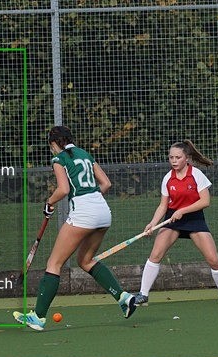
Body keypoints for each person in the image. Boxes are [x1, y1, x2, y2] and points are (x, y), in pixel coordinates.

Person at [13, 125, 137, 331]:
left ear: (54, 143)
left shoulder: (59, 159)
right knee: (86, 260)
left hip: (84, 213)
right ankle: (123, 298)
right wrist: (92, 200)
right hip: (103, 211)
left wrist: (49, 203)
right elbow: (106, 183)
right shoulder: (86, 154)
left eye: (51, 146)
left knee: (54, 263)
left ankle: (38, 317)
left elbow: (64, 189)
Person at [135, 140, 218, 305]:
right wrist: (152, 223)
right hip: (172, 219)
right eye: (171, 157)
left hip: (194, 219)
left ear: (187, 158)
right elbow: (163, 205)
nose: (174, 161)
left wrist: (182, 211)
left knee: (213, 259)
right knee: (155, 255)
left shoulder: (196, 175)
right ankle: (143, 295)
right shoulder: (168, 178)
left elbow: (205, 201)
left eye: (178, 157)